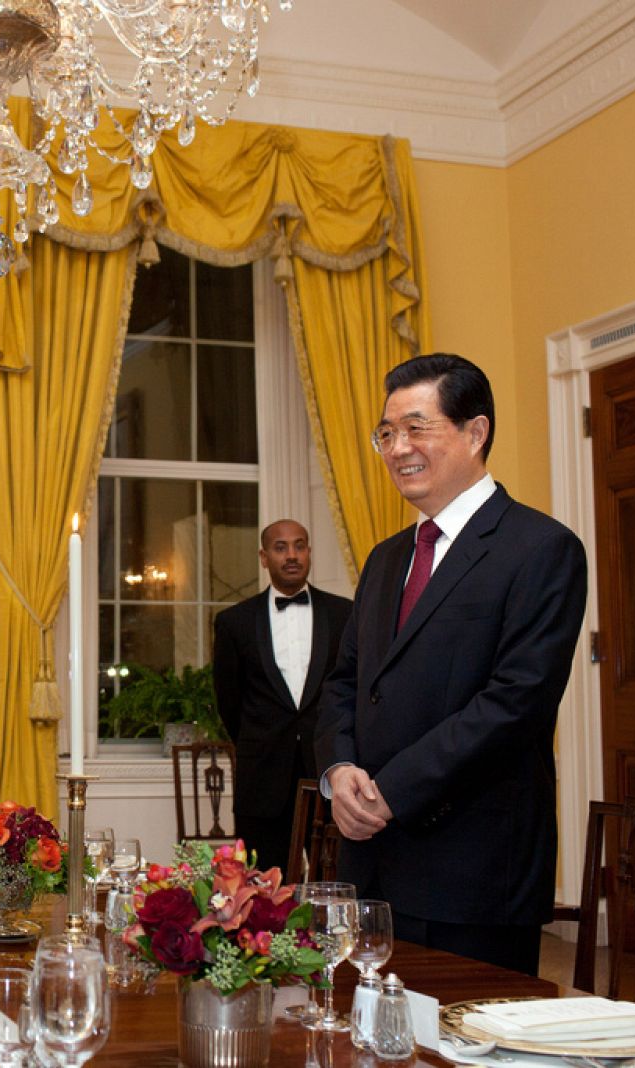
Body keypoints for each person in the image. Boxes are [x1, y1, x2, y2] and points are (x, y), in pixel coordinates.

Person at [315, 353, 586, 976]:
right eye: (386, 433)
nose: (397, 448)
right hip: (371, 865)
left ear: (475, 432)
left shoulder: (541, 549)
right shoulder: (386, 559)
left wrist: (393, 791)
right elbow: (346, 682)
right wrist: (340, 768)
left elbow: (515, 703)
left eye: (417, 427)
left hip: (473, 872)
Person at [212, 520, 351, 872]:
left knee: (334, 881)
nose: (292, 555)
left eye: (300, 546)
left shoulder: (345, 614)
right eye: (280, 547)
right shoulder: (234, 622)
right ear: (263, 557)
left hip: (328, 772)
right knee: (261, 890)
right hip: (262, 780)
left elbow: (354, 690)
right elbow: (229, 702)